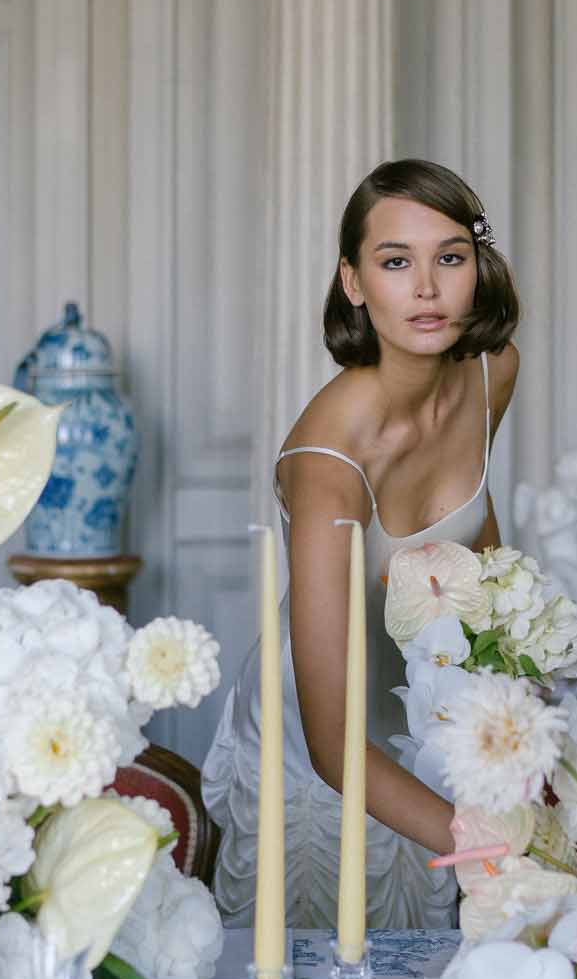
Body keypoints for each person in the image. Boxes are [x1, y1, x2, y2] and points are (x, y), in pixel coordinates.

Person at [201, 157, 520, 932]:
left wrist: (509, 701)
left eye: (449, 257)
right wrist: (500, 850)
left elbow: (478, 538)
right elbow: (332, 745)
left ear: (477, 268)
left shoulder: (491, 374)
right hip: (319, 749)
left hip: (427, 716)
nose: (425, 288)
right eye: (394, 262)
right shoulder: (326, 465)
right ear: (353, 283)